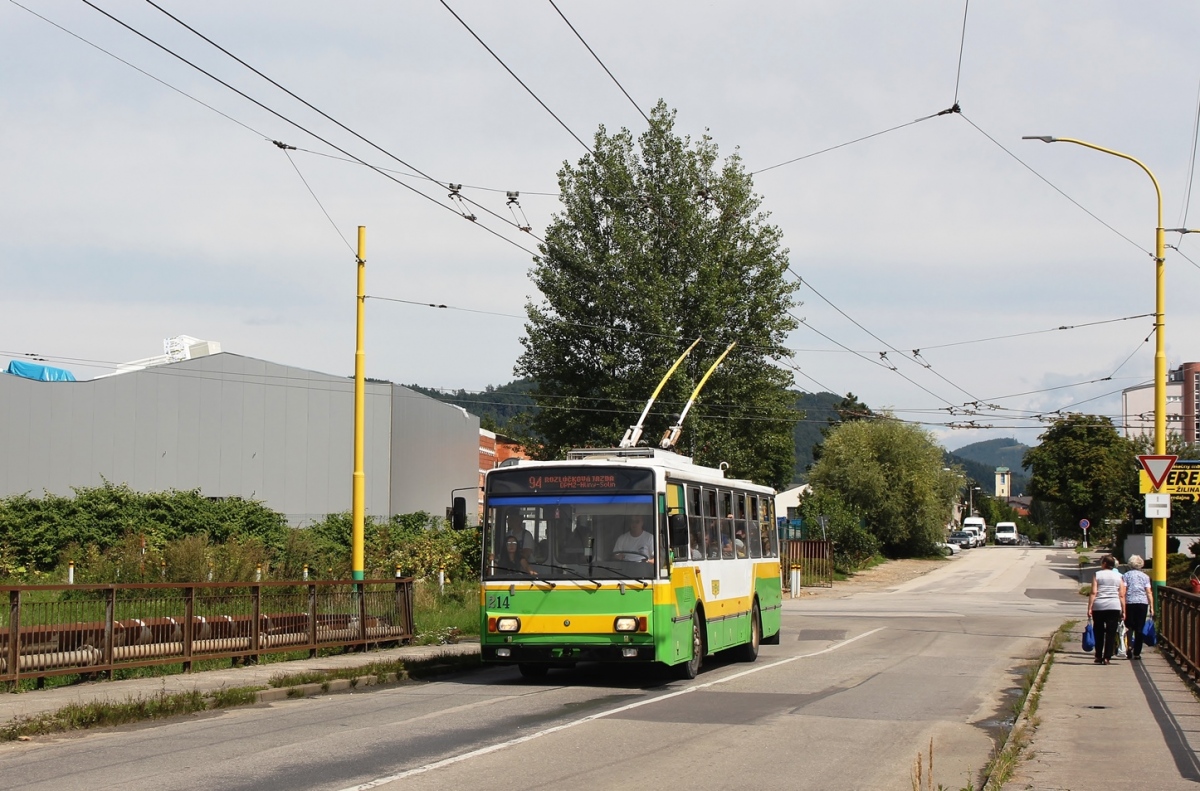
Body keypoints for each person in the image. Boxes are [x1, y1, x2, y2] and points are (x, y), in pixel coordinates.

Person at [1087, 554, 1126, 665]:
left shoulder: (1097, 574)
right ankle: (1107, 657)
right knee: (1111, 632)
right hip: (1114, 606)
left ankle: (1098, 655)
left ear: (1104, 564)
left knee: (1098, 631)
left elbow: (1094, 592)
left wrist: (1090, 607)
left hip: (1099, 606)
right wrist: (1124, 610)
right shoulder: (1119, 576)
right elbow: (1122, 595)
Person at [1123, 554, 1154, 660]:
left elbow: (1124, 591)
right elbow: (1149, 592)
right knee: (1139, 628)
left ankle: (1129, 646)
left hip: (1129, 602)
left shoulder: (1126, 576)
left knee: (1129, 626)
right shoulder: (1145, 577)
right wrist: (1152, 606)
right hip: (1142, 603)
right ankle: (1137, 652)